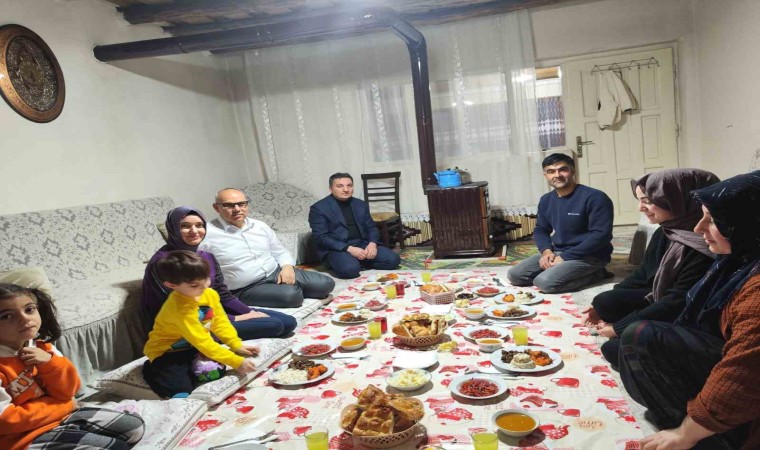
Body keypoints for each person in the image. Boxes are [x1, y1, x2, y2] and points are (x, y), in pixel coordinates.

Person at [619, 170, 760, 450]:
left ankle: (720, 435)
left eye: (713, 220)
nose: (699, 228)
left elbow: (743, 373)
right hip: (722, 349)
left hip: (747, 402)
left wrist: (686, 432)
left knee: (641, 336)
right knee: (632, 343)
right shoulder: (739, 258)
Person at [582, 169, 719, 368]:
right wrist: (606, 305)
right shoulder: (666, 230)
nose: (641, 208)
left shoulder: (705, 244)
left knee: (614, 349)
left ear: (676, 199)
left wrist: (620, 328)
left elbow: (676, 302)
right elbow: (642, 275)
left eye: (647, 201)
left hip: (687, 316)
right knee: (604, 301)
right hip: (658, 296)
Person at [0, 283, 145, 450]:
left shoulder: (43, 348)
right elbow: (5, 421)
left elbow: (68, 391)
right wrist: (64, 406)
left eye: (29, 309)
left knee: (134, 427)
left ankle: (71, 433)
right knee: (115, 447)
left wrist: (49, 363)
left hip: (61, 417)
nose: (25, 319)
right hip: (21, 438)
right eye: (6, 316)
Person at [142, 206, 297, 340]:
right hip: (189, 325)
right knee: (275, 325)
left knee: (289, 322)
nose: (194, 231)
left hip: (213, 312)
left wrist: (249, 312)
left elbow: (222, 293)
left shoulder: (206, 256)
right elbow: (183, 310)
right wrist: (236, 318)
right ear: (173, 229)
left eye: (199, 225)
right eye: (185, 226)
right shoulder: (163, 262)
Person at [142, 251, 260, 399]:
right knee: (181, 390)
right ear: (172, 285)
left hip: (193, 346)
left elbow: (220, 322)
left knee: (213, 372)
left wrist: (235, 344)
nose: (204, 286)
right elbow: (203, 342)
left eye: (206, 278)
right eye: (194, 285)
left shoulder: (210, 294)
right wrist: (236, 362)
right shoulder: (179, 309)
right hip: (167, 352)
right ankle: (151, 368)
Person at [200, 188, 335, 308]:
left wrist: (287, 267)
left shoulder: (259, 226)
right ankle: (278, 291)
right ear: (216, 208)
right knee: (292, 296)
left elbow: (280, 251)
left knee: (326, 284)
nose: (237, 209)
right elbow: (199, 270)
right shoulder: (207, 234)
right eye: (228, 205)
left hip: (274, 271)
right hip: (246, 287)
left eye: (241, 204)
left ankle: (280, 289)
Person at [507, 153, 614, 293]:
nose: (557, 175)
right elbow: (541, 229)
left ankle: (598, 273)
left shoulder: (595, 197)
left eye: (562, 169)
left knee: (544, 283)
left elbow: (602, 235)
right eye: (551, 171)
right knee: (515, 276)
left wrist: (564, 257)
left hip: (590, 255)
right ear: (545, 175)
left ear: (573, 171)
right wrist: (546, 252)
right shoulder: (546, 200)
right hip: (558, 251)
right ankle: (559, 271)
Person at [309, 173, 401, 279]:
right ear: (330, 189)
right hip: (338, 248)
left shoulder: (360, 204)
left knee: (393, 260)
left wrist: (372, 244)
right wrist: (349, 249)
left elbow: (371, 227)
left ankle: (358, 262)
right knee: (349, 270)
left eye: (349, 185)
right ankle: (352, 263)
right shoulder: (319, 208)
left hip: (362, 244)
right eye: (340, 186)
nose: (346, 189)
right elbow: (321, 237)